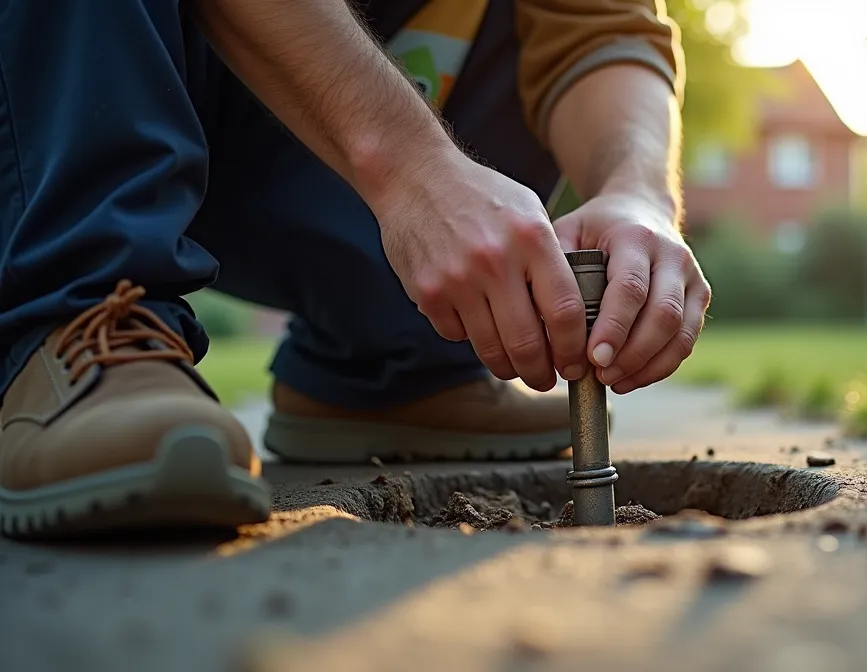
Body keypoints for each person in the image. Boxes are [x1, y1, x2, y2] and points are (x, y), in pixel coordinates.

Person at [0, 0, 711, 539]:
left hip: (322, 137)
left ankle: (387, 365)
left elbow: (600, 26)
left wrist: (637, 190)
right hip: (142, 74)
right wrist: (412, 167)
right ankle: (83, 309)